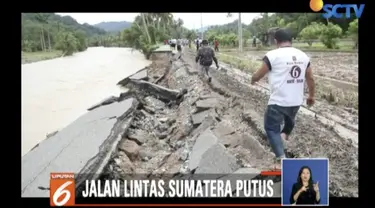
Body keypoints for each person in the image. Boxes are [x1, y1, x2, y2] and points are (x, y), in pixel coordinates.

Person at [250, 29, 315, 169]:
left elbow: (259, 73)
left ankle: (281, 159)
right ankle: (284, 135)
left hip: (278, 101)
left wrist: (253, 79)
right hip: (296, 101)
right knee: (289, 120)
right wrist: (311, 96)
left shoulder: (273, 55)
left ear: (276, 41)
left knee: (271, 128)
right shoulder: (303, 55)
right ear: (291, 40)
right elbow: (310, 77)